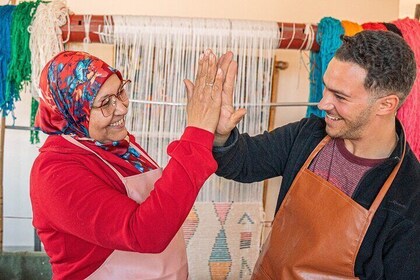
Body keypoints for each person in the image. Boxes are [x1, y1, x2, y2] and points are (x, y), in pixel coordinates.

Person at [212, 30, 419, 279]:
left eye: (340, 97)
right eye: (326, 88)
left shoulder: (409, 195)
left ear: (386, 104)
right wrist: (221, 134)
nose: (322, 104)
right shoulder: (308, 135)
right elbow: (241, 161)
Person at [30, 49, 235, 279]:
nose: (122, 108)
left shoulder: (117, 144)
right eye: (105, 102)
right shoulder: (55, 174)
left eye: (120, 92)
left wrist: (211, 137)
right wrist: (197, 133)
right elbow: (145, 233)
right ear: (74, 110)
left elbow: (166, 201)